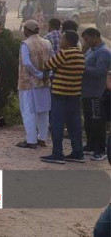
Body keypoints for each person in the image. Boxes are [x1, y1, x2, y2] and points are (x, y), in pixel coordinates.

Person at [39, 30, 85, 164]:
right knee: (74, 125)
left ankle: (57, 153)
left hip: (60, 94)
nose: (60, 41)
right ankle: (78, 153)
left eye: (63, 39)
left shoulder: (64, 53)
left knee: (57, 124)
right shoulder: (80, 55)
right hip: (75, 94)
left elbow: (47, 65)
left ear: (68, 41)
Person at [16, 20, 54, 149]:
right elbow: (53, 60)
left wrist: (37, 74)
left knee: (28, 111)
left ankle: (31, 140)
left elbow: (26, 63)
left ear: (28, 30)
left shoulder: (26, 44)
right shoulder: (47, 43)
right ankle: (42, 138)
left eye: (24, 29)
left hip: (28, 83)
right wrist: (47, 74)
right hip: (44, 82)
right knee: (43, 111)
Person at [81, 27, 111, 161]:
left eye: (87, 39)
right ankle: (91, 145)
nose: (85, 42)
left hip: (97, 92)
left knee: (98, 121)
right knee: (89, 120)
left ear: (94, 36)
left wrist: (82, 68)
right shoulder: (91, 50)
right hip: (88, 91)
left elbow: (100, 71)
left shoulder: (103, 52)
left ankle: (100, 149)